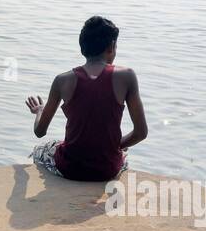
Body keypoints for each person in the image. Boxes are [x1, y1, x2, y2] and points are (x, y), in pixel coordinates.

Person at [26, 16, 147, 181]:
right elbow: (141, 133)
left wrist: (39, 110)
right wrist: (113, 147)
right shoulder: (127, 77)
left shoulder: (62, 80)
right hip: (107, 169)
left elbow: (39, 131)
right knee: (124, 151)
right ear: (111, 47)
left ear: (82, 48)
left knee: (41, 149)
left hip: (70, 168)